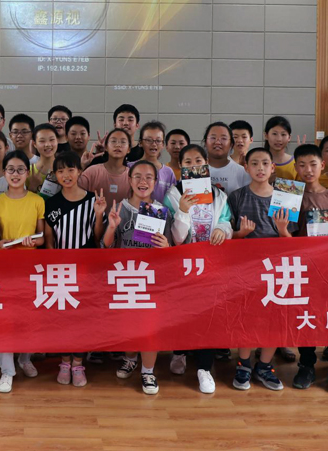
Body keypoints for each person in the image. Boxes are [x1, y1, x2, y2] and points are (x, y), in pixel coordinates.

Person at [103, 160, 189, 395]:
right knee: (129, 325)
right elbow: (105, 247)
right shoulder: (119, 208)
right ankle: (130, 358)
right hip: (125, 277)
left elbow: (172, 251)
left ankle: (148, 371)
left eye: (149, 177)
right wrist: (112, 227)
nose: (143, 181)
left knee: (150, 326)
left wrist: (166, 247)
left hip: (151, 280)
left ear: (156, 182)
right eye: (138, 176)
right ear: (129, 180)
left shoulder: (161, 211)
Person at [163, 143, 233, 394]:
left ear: (206, 165)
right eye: (188, 162)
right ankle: (179, 352)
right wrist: (183, 211)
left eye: (198, 161)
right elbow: (176, 238)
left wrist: (222, 229)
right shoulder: (172, 195)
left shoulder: (219, 195)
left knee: (208, 315)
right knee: (182, 312)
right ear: (180, 166)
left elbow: (227, 222)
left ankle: (204, 368)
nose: (193, 166)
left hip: (211, 266)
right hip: (182, 266)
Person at [227, 147, 295, 392]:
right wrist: (241, 233)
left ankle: (265, 366)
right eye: (254, 163)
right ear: (245, 167)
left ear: (272, 167)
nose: (260, 168)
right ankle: (244, 364)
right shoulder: (236, 197)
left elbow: (294, 243)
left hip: (278, 268)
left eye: (265, 163)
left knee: (274, 318)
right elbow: (229, 237)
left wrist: (282, 230)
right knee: (247, 316)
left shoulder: (286, 196)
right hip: (246, 268)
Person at [289, 144, 328, 395]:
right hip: (303, 266)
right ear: (295, 167)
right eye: (302, 165)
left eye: (313, 164)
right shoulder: (291, 195)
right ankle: (306, 363)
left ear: (322, 166)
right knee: (306, 315)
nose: (308, 170)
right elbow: (286, 234)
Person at [44, 151, 106, 387]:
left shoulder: (93, 200)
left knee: (82, 317)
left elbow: (98, 238)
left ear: (80, 172)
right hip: (61, 271)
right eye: (60, 171)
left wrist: (99, 215)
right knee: (63, 317)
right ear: (55, 175)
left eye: (70, 170)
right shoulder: (51, 203)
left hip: (86, 269)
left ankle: (78, 363)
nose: (66, 175)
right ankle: (64, 362)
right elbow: (49, 241)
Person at [0, 149, 46, 392]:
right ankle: (7, 371)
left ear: (28, 172)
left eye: (20, 170)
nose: (16, 174)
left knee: (29, 318)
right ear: (4, 172)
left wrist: (32, 240)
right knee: (3, 319)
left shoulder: (37, 200)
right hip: (4, 269)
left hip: (29, 268)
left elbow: (42, 237)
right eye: (11, 170)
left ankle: (25, 358)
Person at [78, 128, 132, 208]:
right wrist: (82, 166)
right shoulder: (92, 172)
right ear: (106, 147)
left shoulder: (132, 176)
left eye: (123, 142)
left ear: (128, 149)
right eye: (113, 141)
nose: (118, 145)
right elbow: (75, 192)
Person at [130, 121, 176, 202]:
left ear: (163, 144)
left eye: (158, 141)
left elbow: (173, 200)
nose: (154, 144)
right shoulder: (130, 167)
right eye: (149, 140)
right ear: (140, 143)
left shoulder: (168, 172)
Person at [204, 122, 251, 194]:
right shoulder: (195, 172)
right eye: (213, 138)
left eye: (223, 138)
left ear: (231, 144)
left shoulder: (242, 172)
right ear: (205, 142)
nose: (218, 142)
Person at [27, 122, 61, 198]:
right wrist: (32, 187)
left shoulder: (65, 170)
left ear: (57, 141)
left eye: (51, 140)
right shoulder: (28, 172)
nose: (47, 144)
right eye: (42, 141)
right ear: (34, 144)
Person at [263, 116, 297, 181]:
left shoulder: (296, 163)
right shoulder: (257, 162)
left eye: (283, 134)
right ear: (266, 135)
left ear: (289, 137)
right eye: (274, 134)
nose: (279, 139)